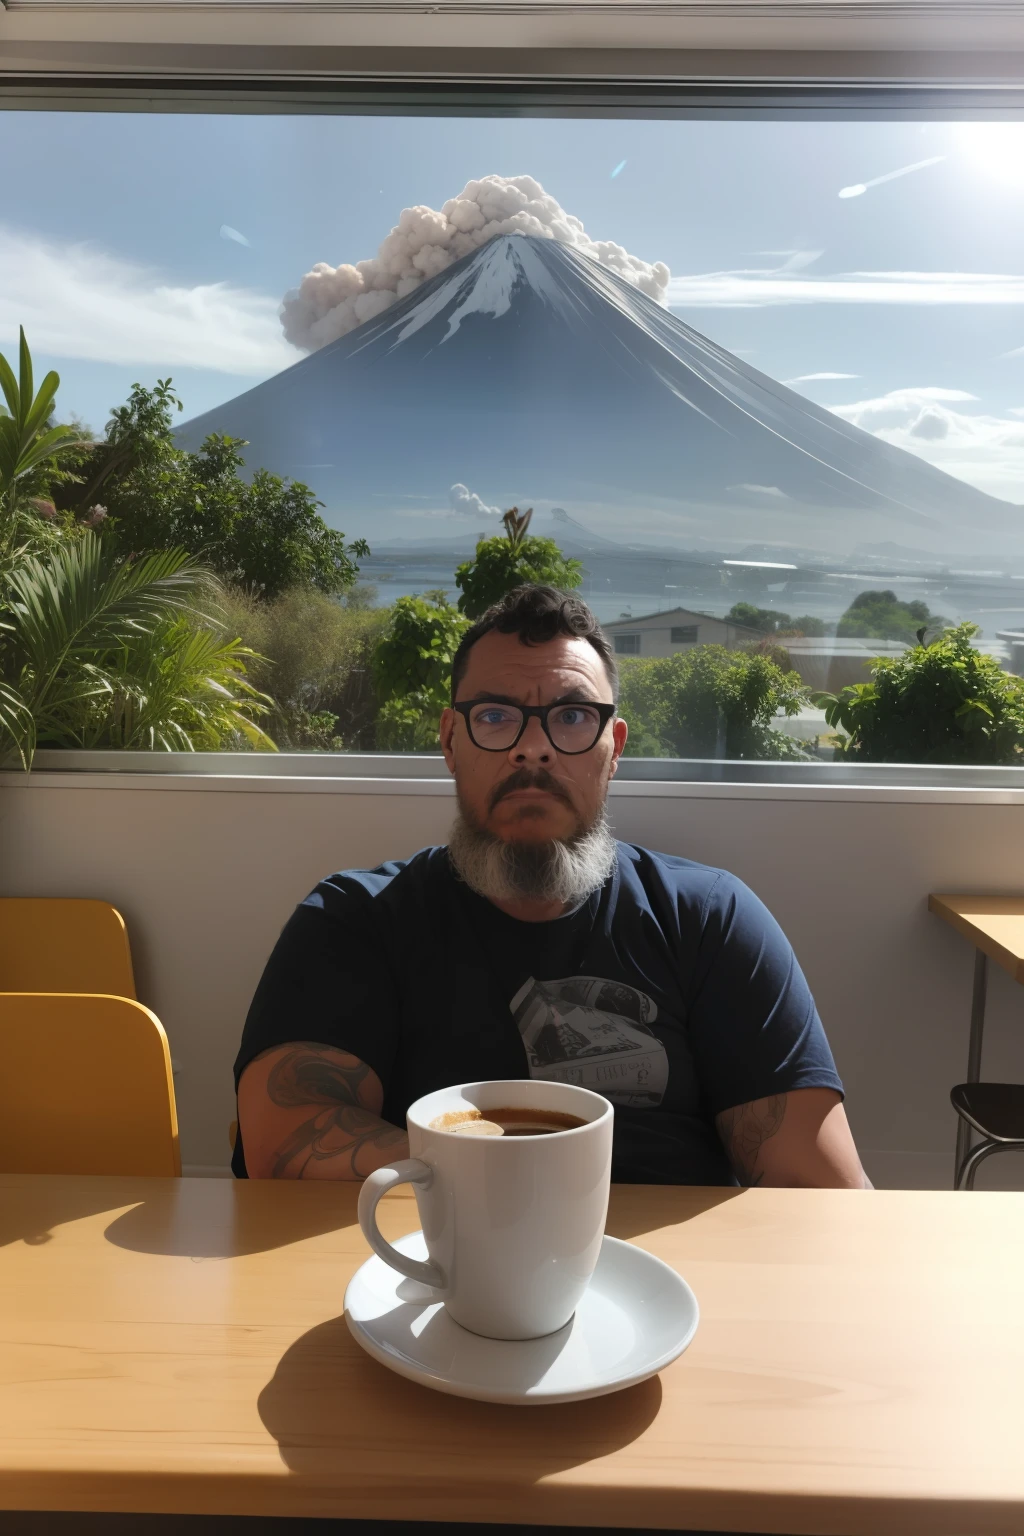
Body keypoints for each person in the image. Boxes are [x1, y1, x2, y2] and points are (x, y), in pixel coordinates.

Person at [233, 584, 870, 1190]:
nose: (532, 749)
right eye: (494, 716)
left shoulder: (710, 919)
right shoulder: (355, 921)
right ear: (451, 742)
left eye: (570, 717)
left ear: (612, 748)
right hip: (428, 1269)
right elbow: (285, 1138)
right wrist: (521, 1186)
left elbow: (818, 1188)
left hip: (675, 1277)